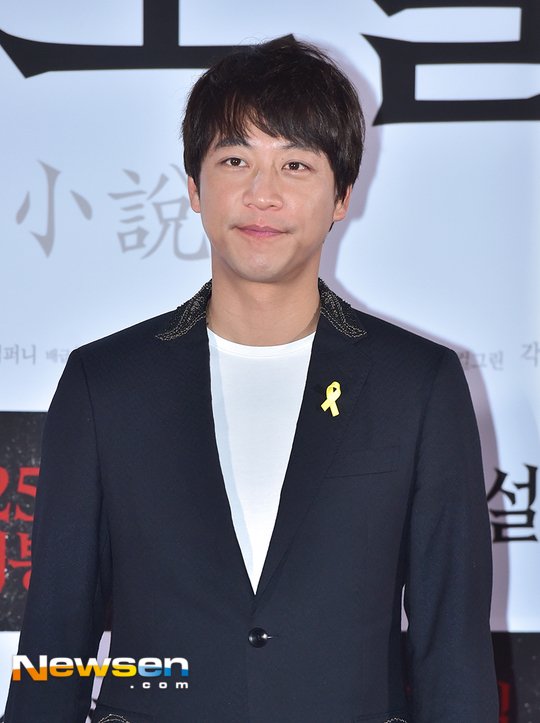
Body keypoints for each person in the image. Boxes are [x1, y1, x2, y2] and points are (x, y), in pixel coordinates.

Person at [6, 36, 498, 723]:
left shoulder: (416, 383)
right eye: (235, 160)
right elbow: (56, 635)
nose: (262, 194)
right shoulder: (105, 382)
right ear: (193, 187)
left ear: (341, 196)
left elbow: (453, 647)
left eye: (295, 165)